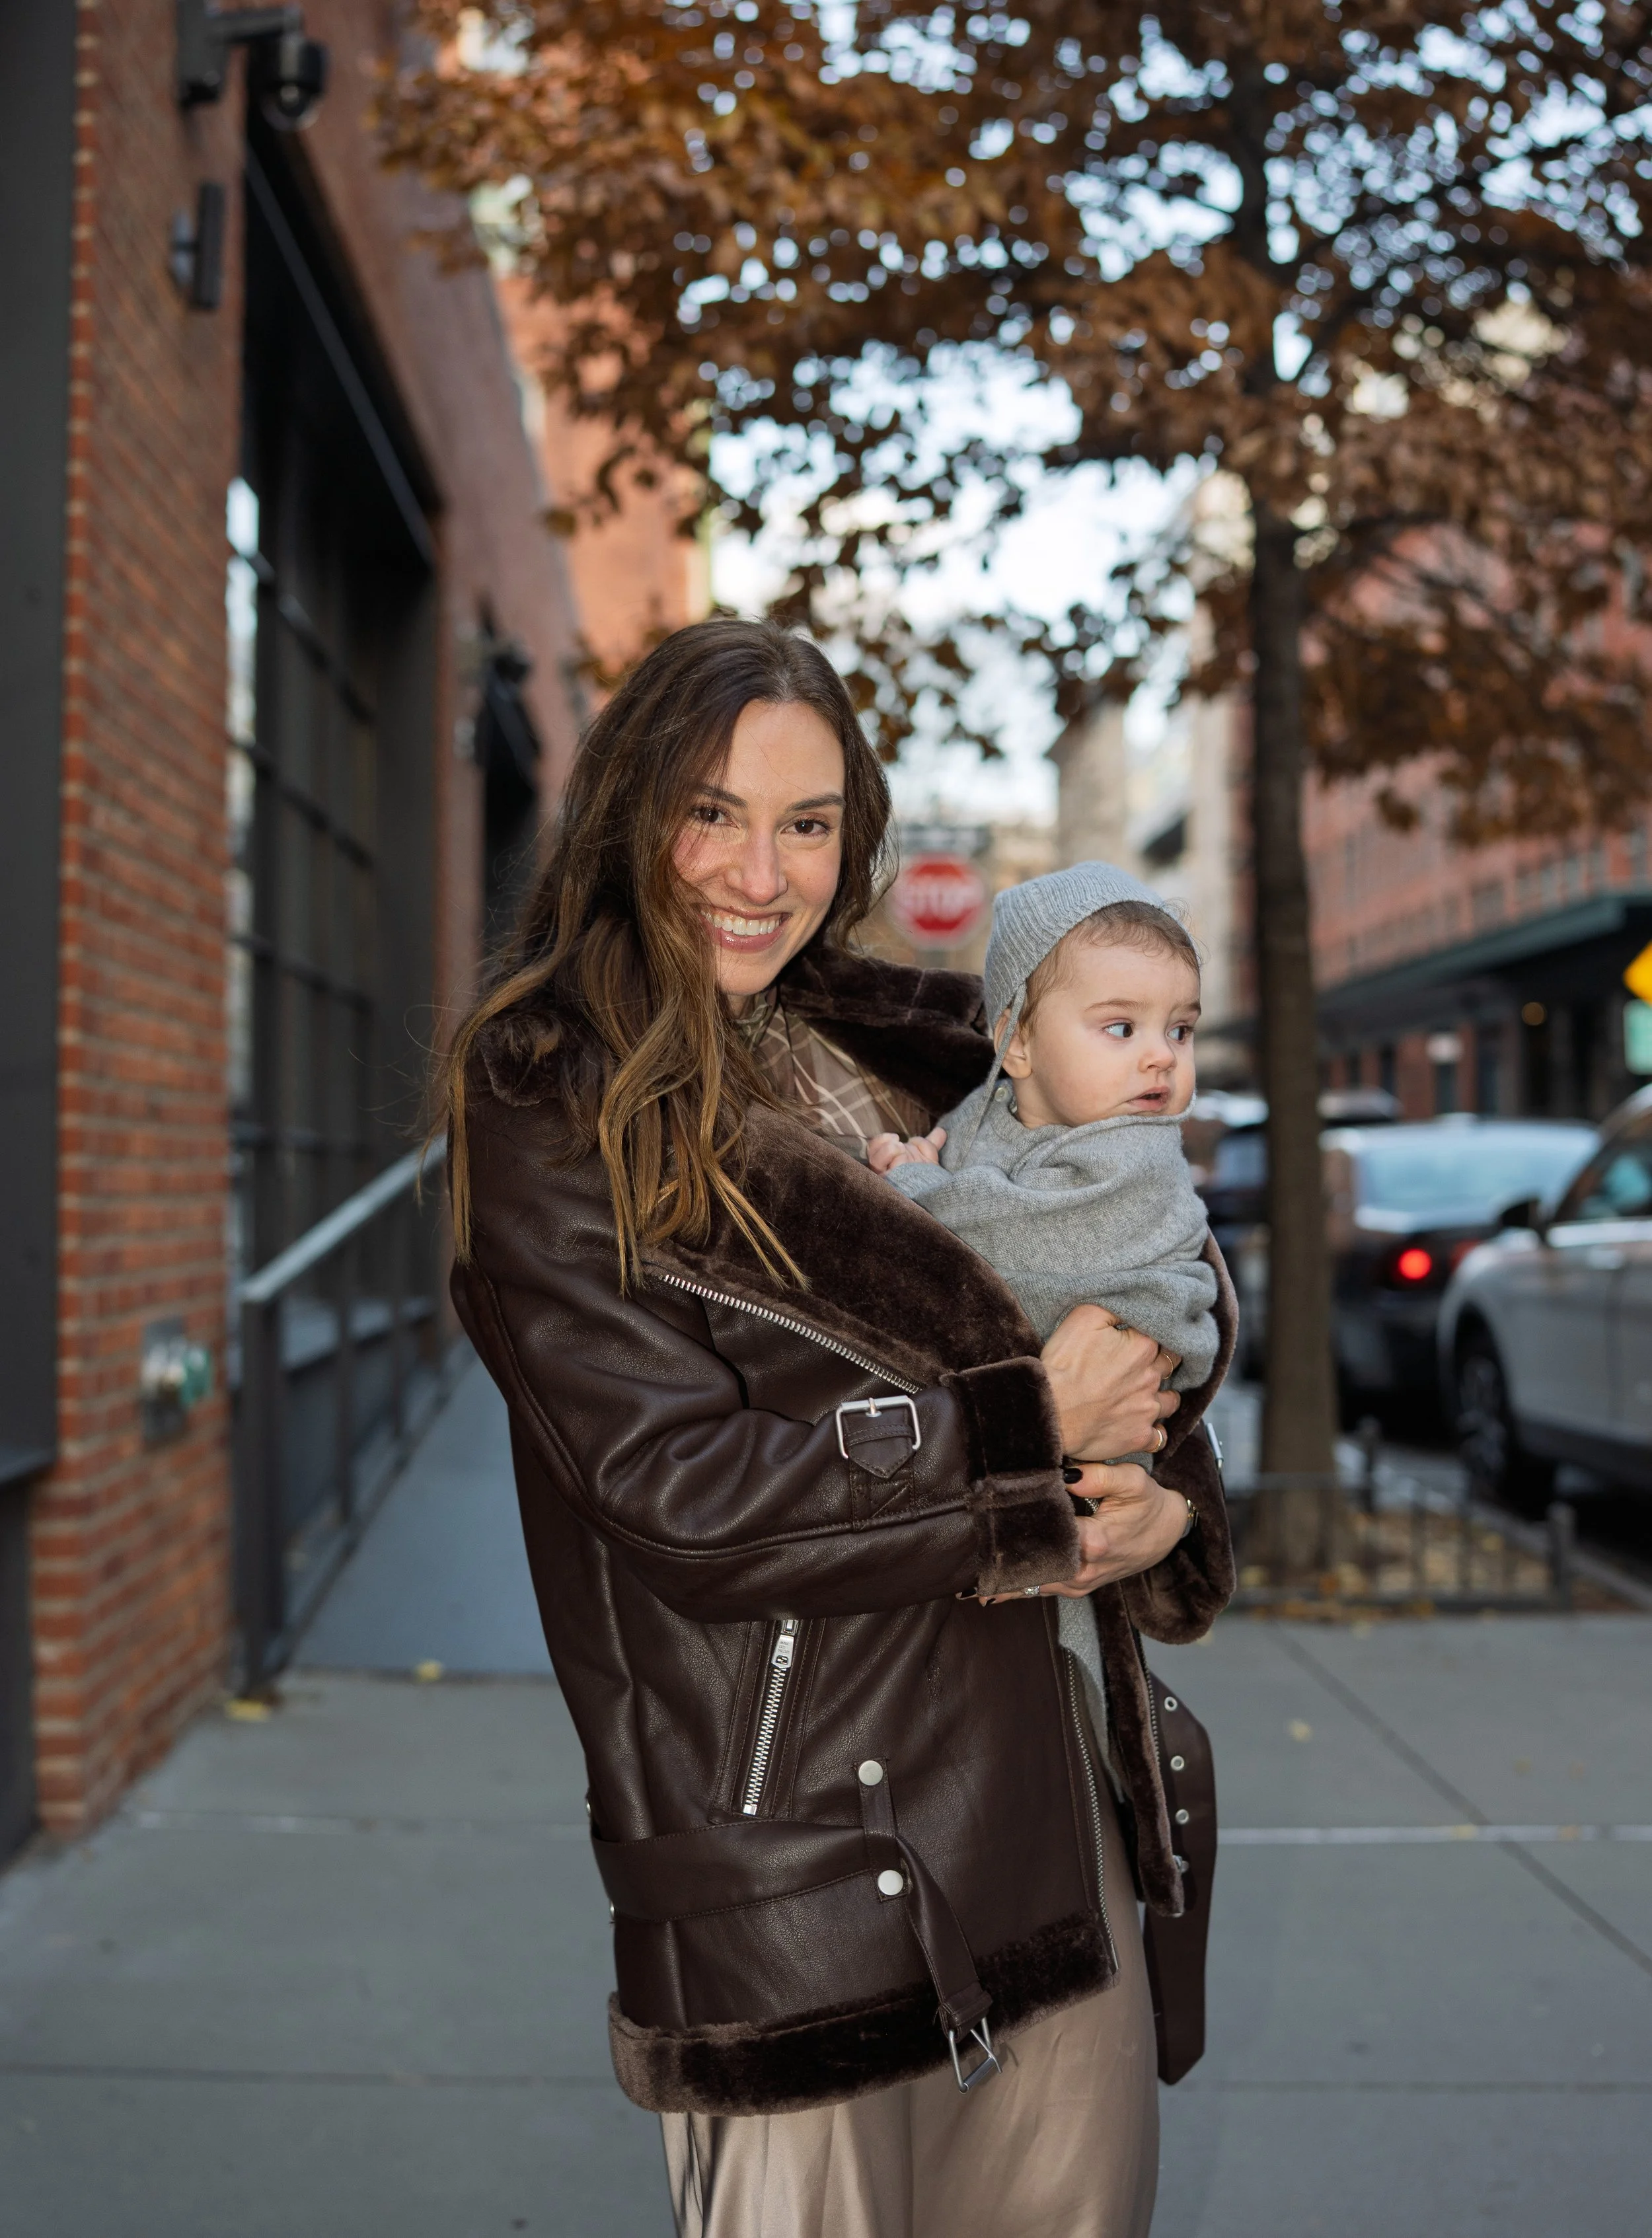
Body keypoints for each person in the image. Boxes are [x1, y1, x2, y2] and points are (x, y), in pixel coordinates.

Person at [441, 618, 1235, 2238]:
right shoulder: (548, 1097)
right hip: (795, 1863)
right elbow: (683, 1497)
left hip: (1037, 1812)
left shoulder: (911, 1050)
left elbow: (1133, 1264)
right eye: (711, 812)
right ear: (628, 813)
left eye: (805, 822)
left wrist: (1157, 1506)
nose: (761, 873)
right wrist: (1021, 1434)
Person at [868, 862, 1225, 1785]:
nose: (1162, 1056)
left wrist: (912, 1187)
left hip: (1102, 1450)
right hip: (1025, 1459)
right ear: (1016, 1043)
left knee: (1052, 1729)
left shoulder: (1134, 1153)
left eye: (1181, 1029)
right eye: (1122, 1027)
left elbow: (1017, 1257)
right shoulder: (993, 1117)